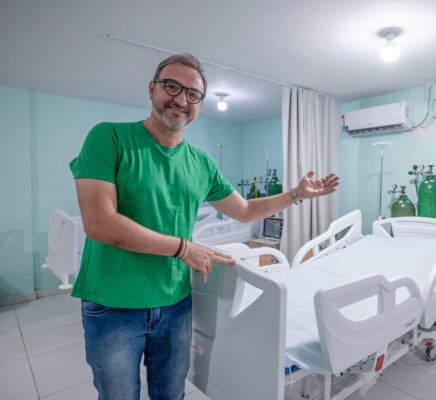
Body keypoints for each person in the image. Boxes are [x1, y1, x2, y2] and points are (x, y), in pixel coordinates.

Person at [69, 53, 339, 400]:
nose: (181, 99)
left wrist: (296, 194)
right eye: (172, 86)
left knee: (171, 393)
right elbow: (100, 223)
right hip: (114, 305)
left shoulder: (201, 163)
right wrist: (184, 248)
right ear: (152, 89)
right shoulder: (110, 138)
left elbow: (244, 211)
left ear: (200, 103)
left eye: (193, 94)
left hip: (175, 304)